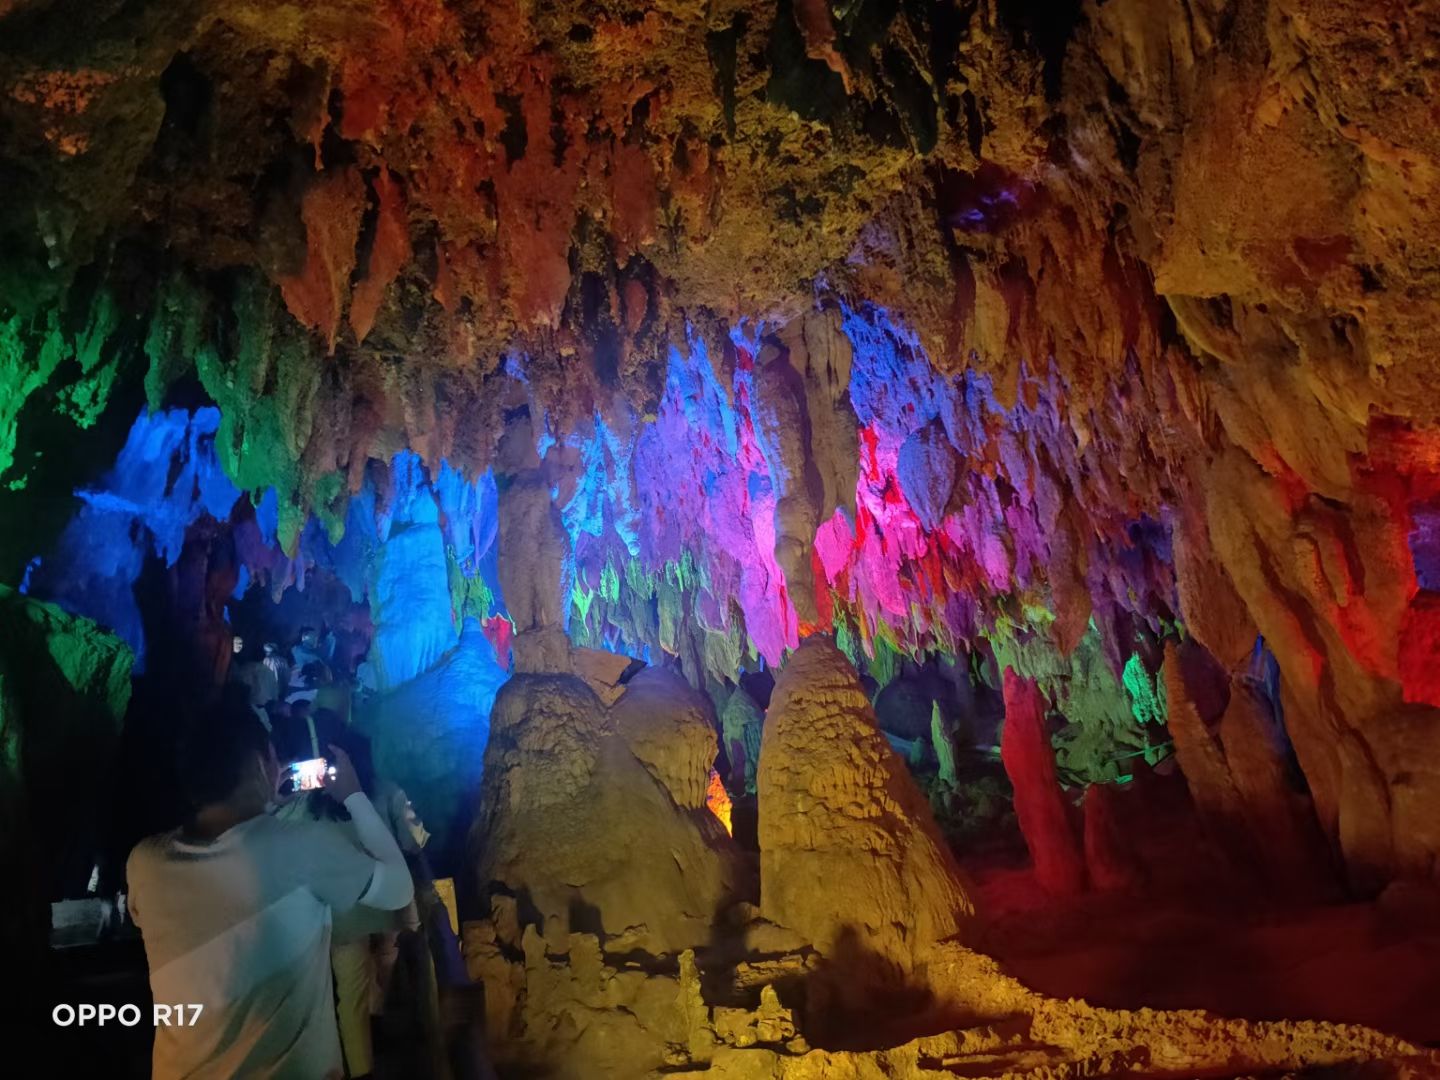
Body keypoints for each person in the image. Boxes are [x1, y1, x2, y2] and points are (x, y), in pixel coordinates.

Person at [125, 703, 414, 1079]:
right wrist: (354, 796)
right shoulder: (303, 847)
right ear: (263, 765)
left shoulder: (144, 863)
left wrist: (266, 810)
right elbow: (399, 889)